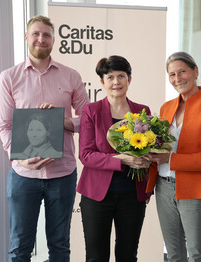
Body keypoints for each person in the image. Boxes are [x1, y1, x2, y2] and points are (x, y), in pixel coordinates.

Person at [0, 15, 90, 261]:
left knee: (60, 248)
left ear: (53, 40)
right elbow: (4, 125)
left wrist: (64, 122)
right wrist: (19, 157)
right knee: (19, 248)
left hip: (63, 174)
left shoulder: (71, 76)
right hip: (23, 176)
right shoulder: (9, 77)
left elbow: (88, 119)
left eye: (46, 35)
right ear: (27, 37)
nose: (41, 39)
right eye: (36, 34)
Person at [145, 52, 201, 262]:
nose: (177, 78)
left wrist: (170, 160)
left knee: (197, 253)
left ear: (195, 71)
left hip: (195, 189)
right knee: (173, 254)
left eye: (182, 71)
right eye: (172, 74)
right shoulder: (166, 107)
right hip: (163, 187)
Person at [76, 55, 151, 262]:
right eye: (110, 77)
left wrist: (149, 157)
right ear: (102, 82)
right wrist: (123, 160)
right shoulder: (91, 111)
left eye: (121, 76)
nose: (116, 82)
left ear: (129, 79)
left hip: (132, 195)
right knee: (96, 257)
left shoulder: (142, 112)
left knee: (128, 256)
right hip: (97, 196)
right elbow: (86, 155)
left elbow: (149, 148)